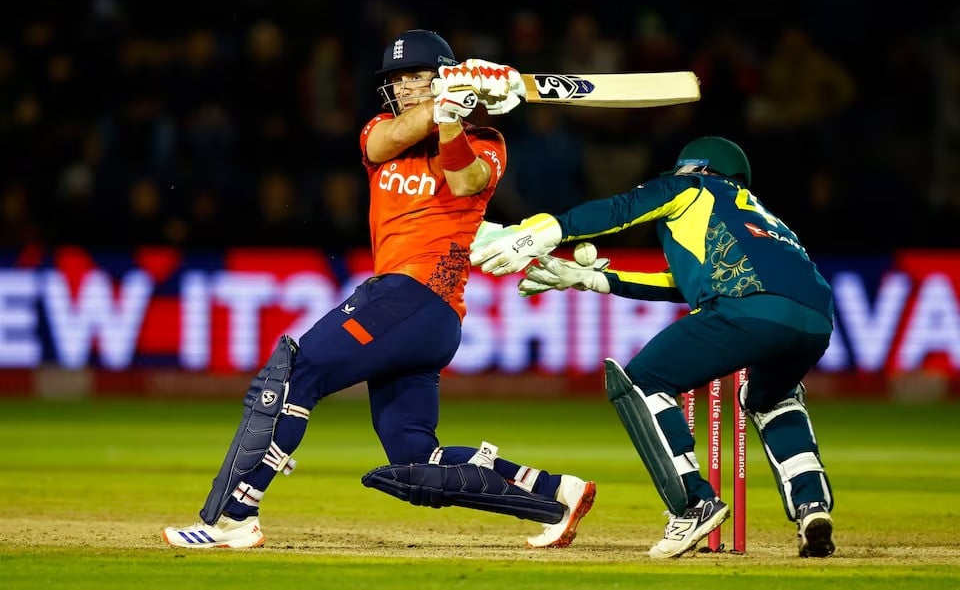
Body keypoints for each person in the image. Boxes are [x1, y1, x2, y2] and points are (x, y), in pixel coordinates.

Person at [162, 29, 595, 550]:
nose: (405, 89)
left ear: (438, 76)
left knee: (296, 373)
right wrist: (444, 100)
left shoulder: (486, 140)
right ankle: (556, 495)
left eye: (416, 78)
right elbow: (385, 140)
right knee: (415, 460)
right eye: (397, 80)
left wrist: (453, 116)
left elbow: (465, 183)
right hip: (416, 317)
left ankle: (231, 517)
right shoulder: (381, 131)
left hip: (415, 298)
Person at [470, 136, 836, 559]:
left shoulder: (694, 187)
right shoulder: (765, 220)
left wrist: (543, 232)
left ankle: (693, 503)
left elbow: (621, 210)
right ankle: (813, 507)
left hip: (747, 306)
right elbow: (680, 285)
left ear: (696, 167)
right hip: (816, 319)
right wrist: (589, 278)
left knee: (643, 380)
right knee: (770, 399)